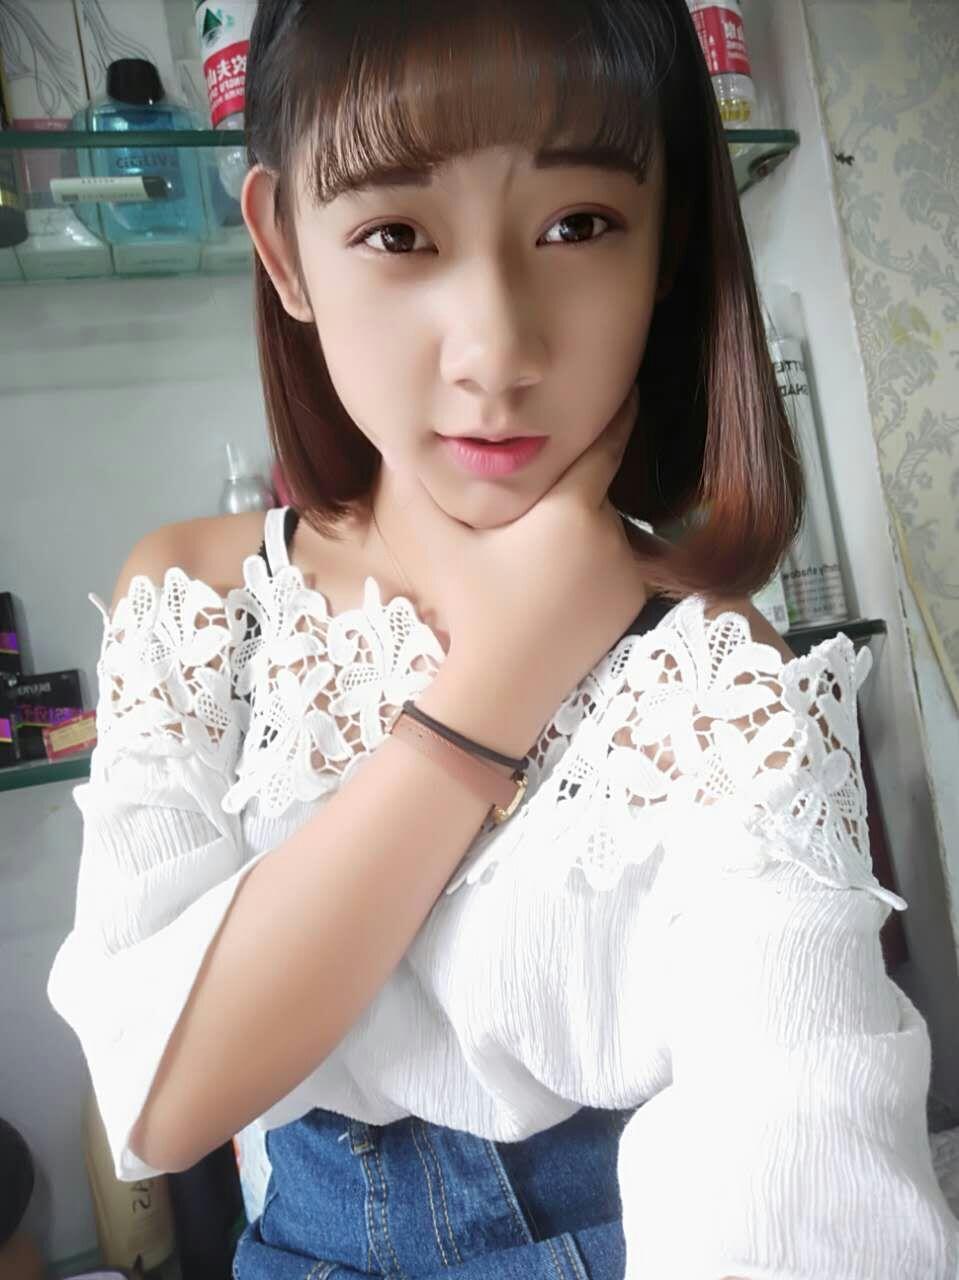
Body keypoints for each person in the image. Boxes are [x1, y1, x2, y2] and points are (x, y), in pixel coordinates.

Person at [48, 1, 959, 1276]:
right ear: (284, 249)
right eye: (397, 233)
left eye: (576, 224)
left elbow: (802, 1195)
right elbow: (155, 1097)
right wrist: (504, 673)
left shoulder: (718, 673)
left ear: (664, 240)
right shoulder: (202, 602)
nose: (496, 352)